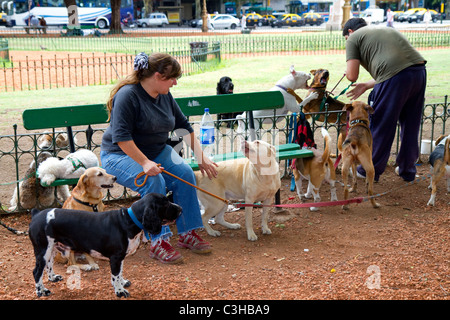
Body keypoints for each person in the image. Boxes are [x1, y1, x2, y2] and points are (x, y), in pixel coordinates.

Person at [101, 52, 218, 264]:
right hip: (119, 155)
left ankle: (187, 232)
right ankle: (158, 240)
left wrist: (201, 158)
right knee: (154, 180)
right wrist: (145, 163)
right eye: (172, 78)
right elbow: (122, 138)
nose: (175, 82)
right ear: (157, 76)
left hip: (156, 151)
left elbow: (184, 127)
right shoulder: (128, 96)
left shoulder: (164, 95)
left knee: (185, 173)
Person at [342, 18, 427, 182]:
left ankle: (369, 170)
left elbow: (352, 75)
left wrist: (348, 71)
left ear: (350, 32)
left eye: (346, 38)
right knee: (410, 124)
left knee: (381, 124)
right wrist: (367, 85)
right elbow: (398, 69)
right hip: (418, 72)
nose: (347, 41)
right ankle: (407, 170)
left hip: (396, 77)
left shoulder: (353, 37)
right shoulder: (382, 30)